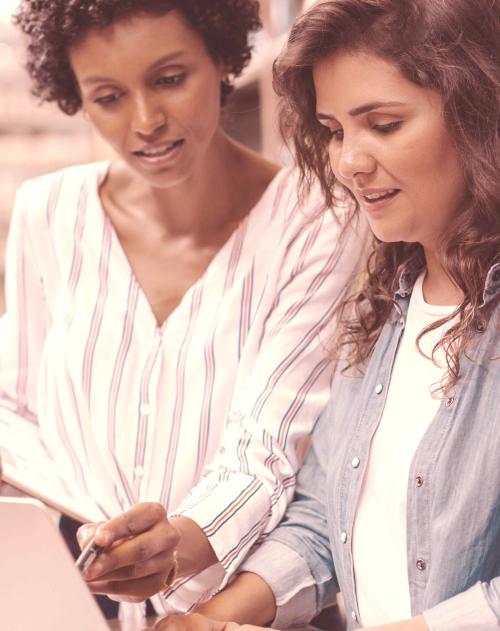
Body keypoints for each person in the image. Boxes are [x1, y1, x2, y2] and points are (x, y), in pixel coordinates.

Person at [0, 0, 364, 618]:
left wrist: (176, 547)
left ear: (222, 57)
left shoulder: (318, 222)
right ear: (74, 94)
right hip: (63, 599)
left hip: (224, 609)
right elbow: (15, 404)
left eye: (170, 79)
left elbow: (268, 445)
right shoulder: (46, 212)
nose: (145, 121)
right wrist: (83, 533)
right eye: (108, 96)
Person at [145, 0, 500, 629]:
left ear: (481, 116)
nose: (347, 162)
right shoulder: (384, 306)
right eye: (335, 130)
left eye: (383, 125)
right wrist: (210, 618)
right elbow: (324, 519)